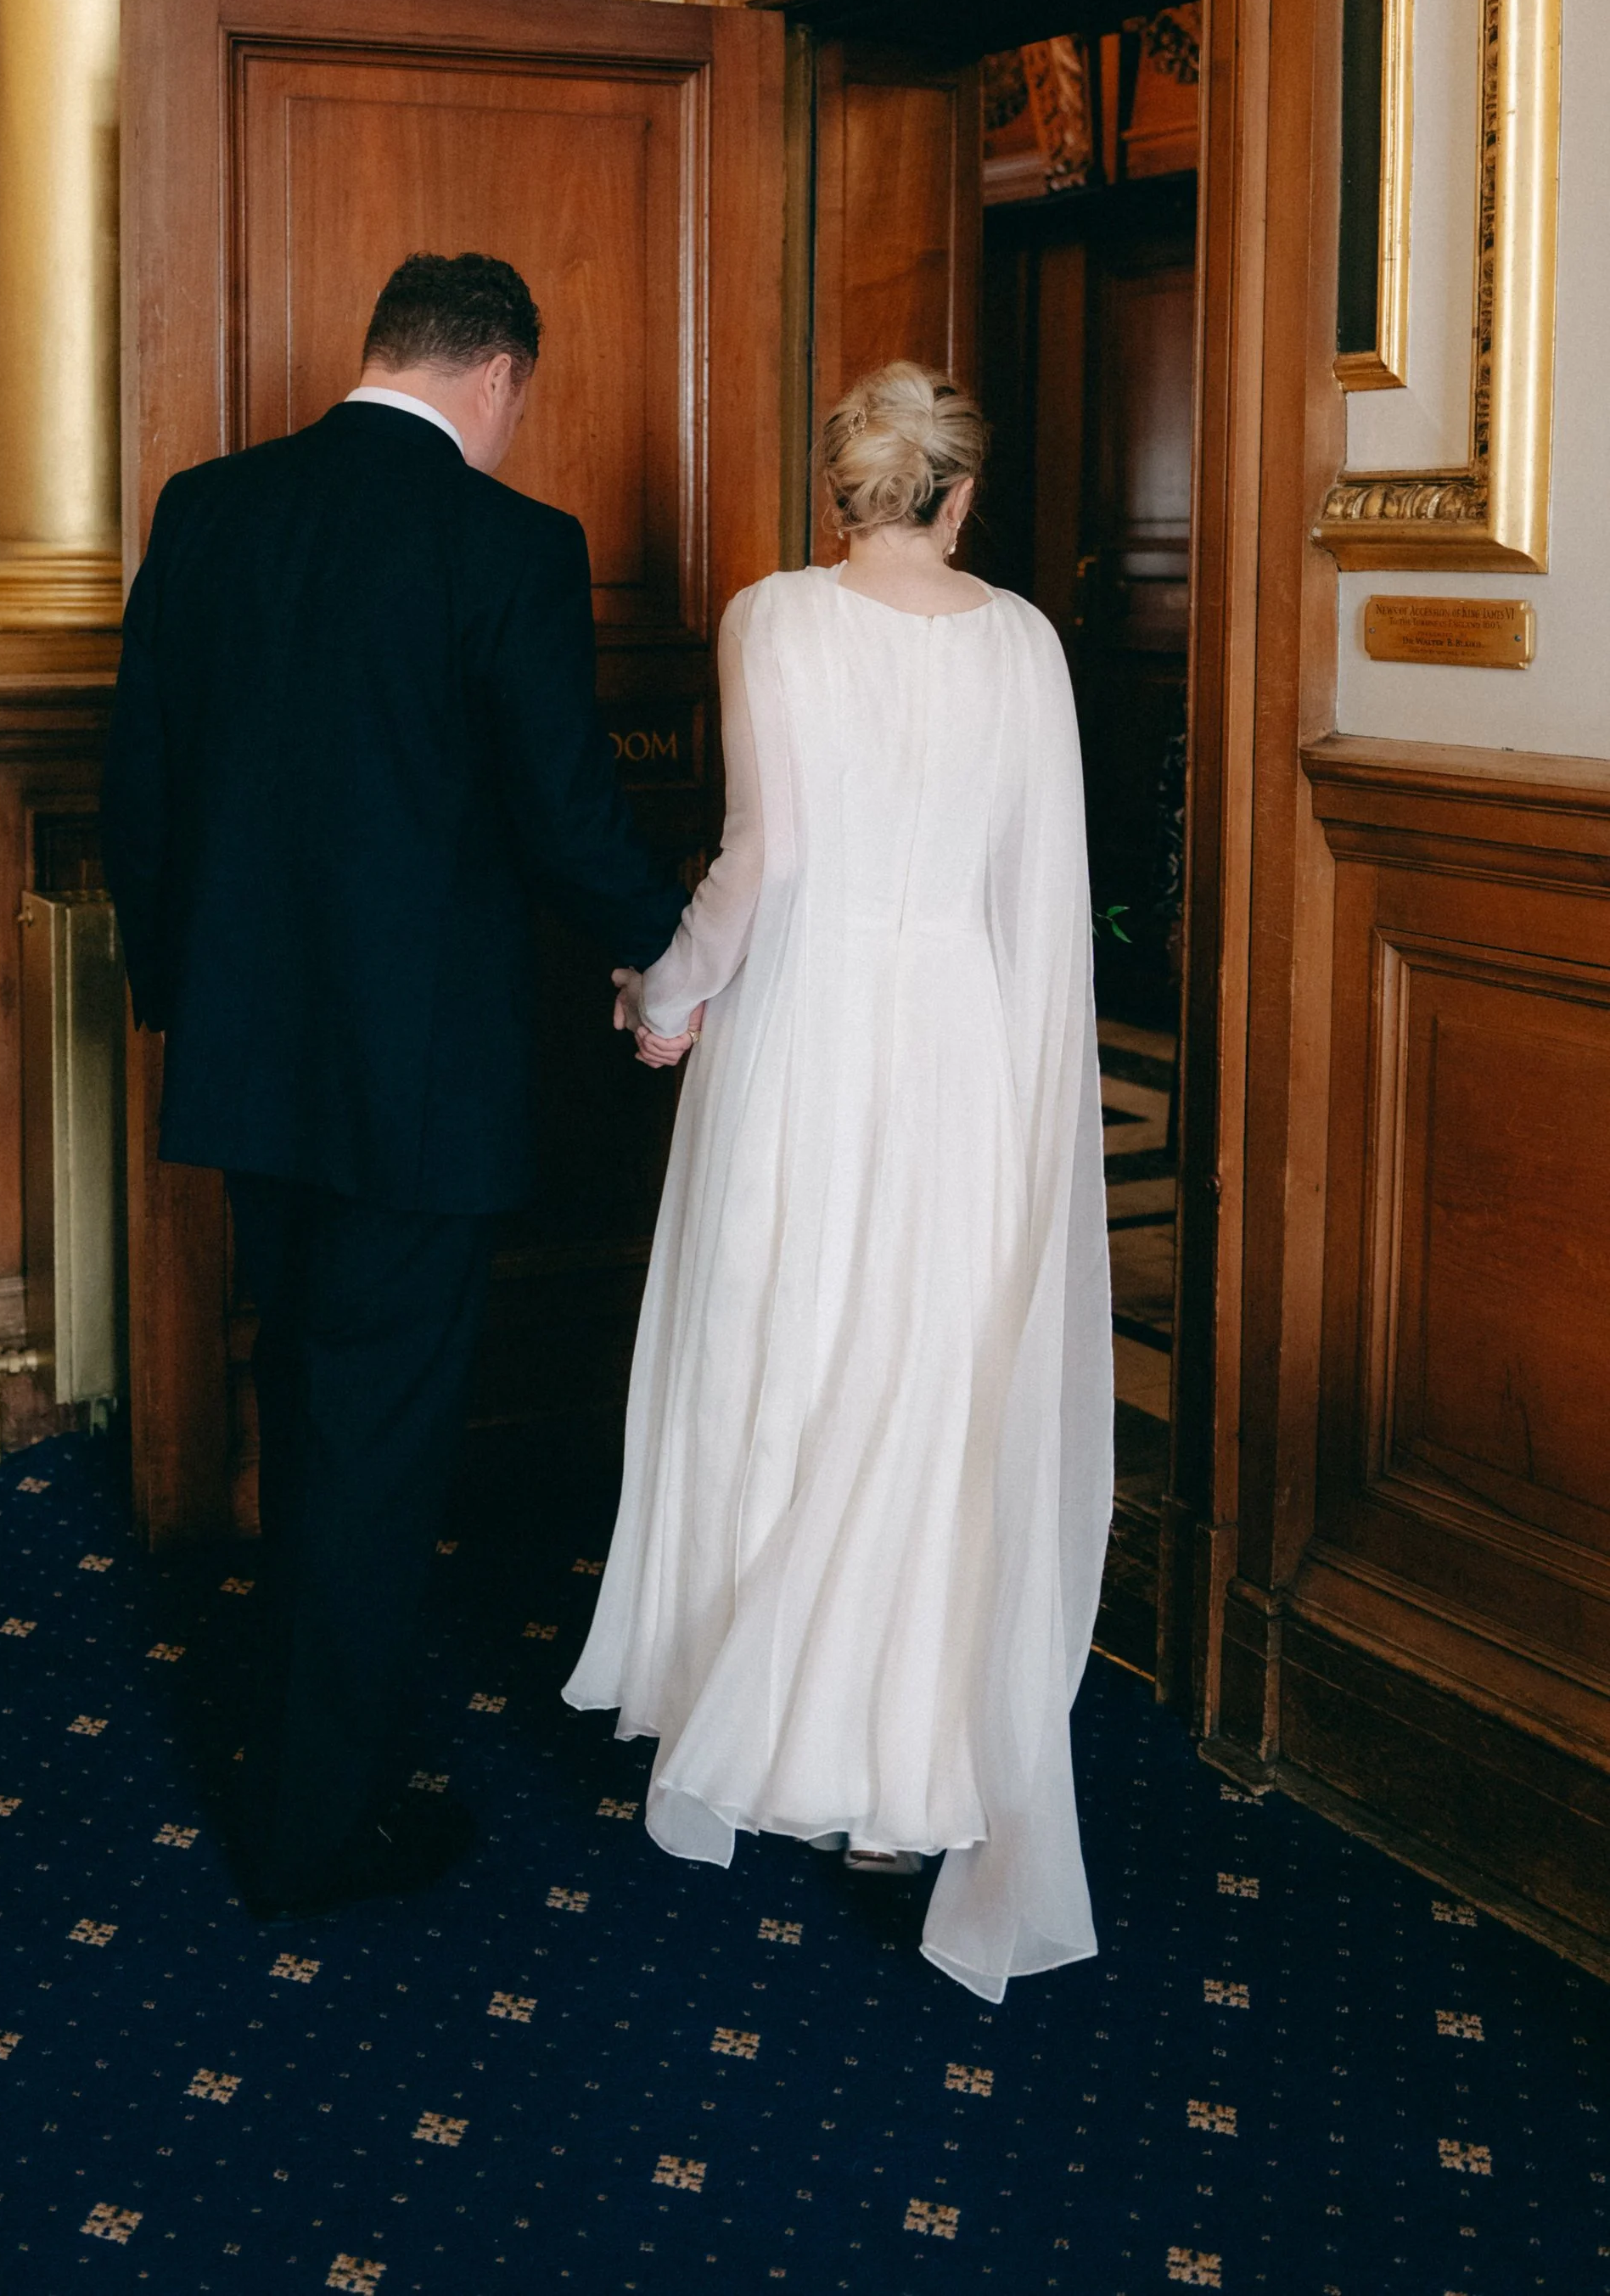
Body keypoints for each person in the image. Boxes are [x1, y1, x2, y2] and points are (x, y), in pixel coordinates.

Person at [103, 252, 687, 1923]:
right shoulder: (510, 543)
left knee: (311, 1409)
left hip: (248, 1066)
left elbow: (136, 783)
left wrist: (181, 1001)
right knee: (372, 1448)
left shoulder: (207, 509)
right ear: (499, 377)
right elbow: (562, 815)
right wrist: (672, 957)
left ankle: (312, 1757)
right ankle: (314, 1823)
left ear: (380, 352)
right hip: (414, 1100)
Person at [567, 359, 1114, 2004]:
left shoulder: (772, 617)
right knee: (926, 1373)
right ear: (959, 498)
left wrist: (665, 996)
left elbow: (763, 859)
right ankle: (894, 1768)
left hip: (803, 1025)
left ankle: (743, 1697)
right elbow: (1038, 897)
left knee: (779, 1342)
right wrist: (1030, 1101)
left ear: (842, 492)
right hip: (956, 1032)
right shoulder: (1020, 640)